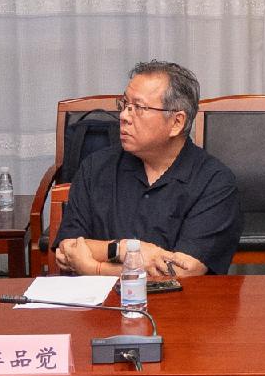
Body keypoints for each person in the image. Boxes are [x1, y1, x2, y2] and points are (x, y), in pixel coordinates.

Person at [53, 59, 242, 281]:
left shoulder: (214, 182)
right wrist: (124, 248)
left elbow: (182, 272)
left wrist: (95, 268)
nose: (123, 116)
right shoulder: (95, 168)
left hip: (179, 310)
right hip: (99, 308)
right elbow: (67, 250)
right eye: (124, 105)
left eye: (139, 108)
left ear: (176, 123)